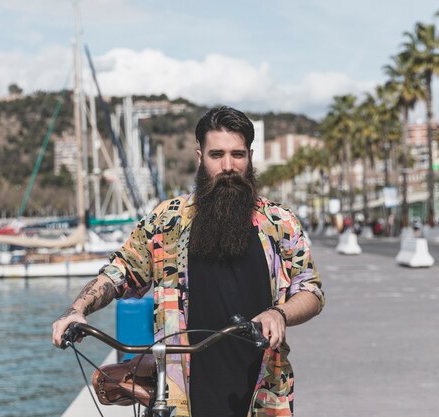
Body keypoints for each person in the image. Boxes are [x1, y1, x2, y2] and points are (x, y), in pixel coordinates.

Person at [51, 106, 325, 417]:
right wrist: (77, 310)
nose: (228, 165)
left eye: (237, 154)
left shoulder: (280, 223)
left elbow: (311, 292)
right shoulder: (167, 221)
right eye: (216, 154)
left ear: (249, 156)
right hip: (181, 395)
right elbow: (120, 270)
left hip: (264, 393)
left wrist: (280, 314)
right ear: (199, 157)